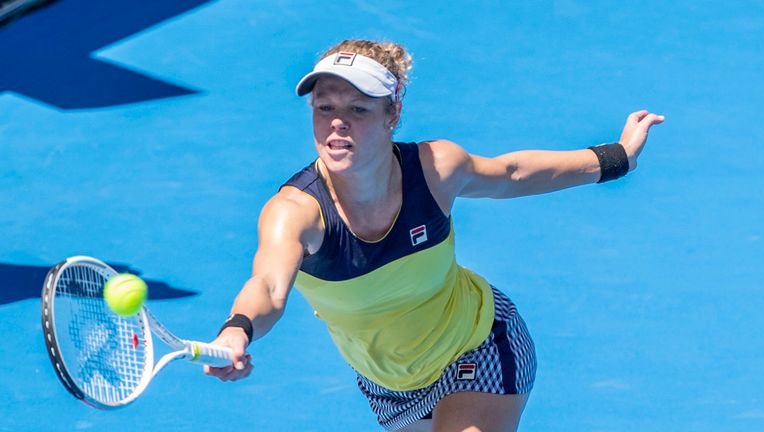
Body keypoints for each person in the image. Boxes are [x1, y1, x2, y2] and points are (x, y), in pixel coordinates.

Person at [205, 39, 665, 432]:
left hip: (480, 344)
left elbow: (514, 172)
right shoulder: (295, 212)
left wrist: (617, 157)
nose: (337, 123)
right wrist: (237, 330)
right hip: (388, 383)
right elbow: (267, 285)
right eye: (324, 108)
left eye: (358, 109)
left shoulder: (435, 169)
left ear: (392, 114)